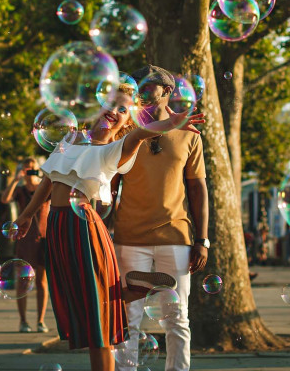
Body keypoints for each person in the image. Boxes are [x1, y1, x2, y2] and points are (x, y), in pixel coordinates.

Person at [15, 83, 204, 371]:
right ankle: (134, 288)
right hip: (58, 226)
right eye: (111, 103)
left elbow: (143, 133)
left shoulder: (118, 149)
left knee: (97, 313)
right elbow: (49, 179)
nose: (113, 111)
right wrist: (27, 215)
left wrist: (173, 121)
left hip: (83, 226)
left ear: (129, 120)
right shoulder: (72, 138)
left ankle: (133, 290)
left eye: (123, 109)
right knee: (83, 301)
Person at [112, 65, 210, 371]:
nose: (140, 88)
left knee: (177, 319)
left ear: (167, 91)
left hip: (175, 238)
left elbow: (198, 190)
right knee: (129, 320)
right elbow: (109, 185)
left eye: (148, 84)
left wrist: (202, 240)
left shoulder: (189, 134)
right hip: (129, 239)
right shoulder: (124, 131)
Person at [1, 157, 51, 333]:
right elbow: (4, 199)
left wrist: (45, 177)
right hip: (24, 240)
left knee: (42, 282)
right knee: (23, 282)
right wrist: (15, 180)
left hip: (44, 238)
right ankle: (23, 321)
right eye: (26, 169)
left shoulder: (45, 189)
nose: (29, 171)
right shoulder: (20, 190)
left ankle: (40, 320)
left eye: (32, 168)